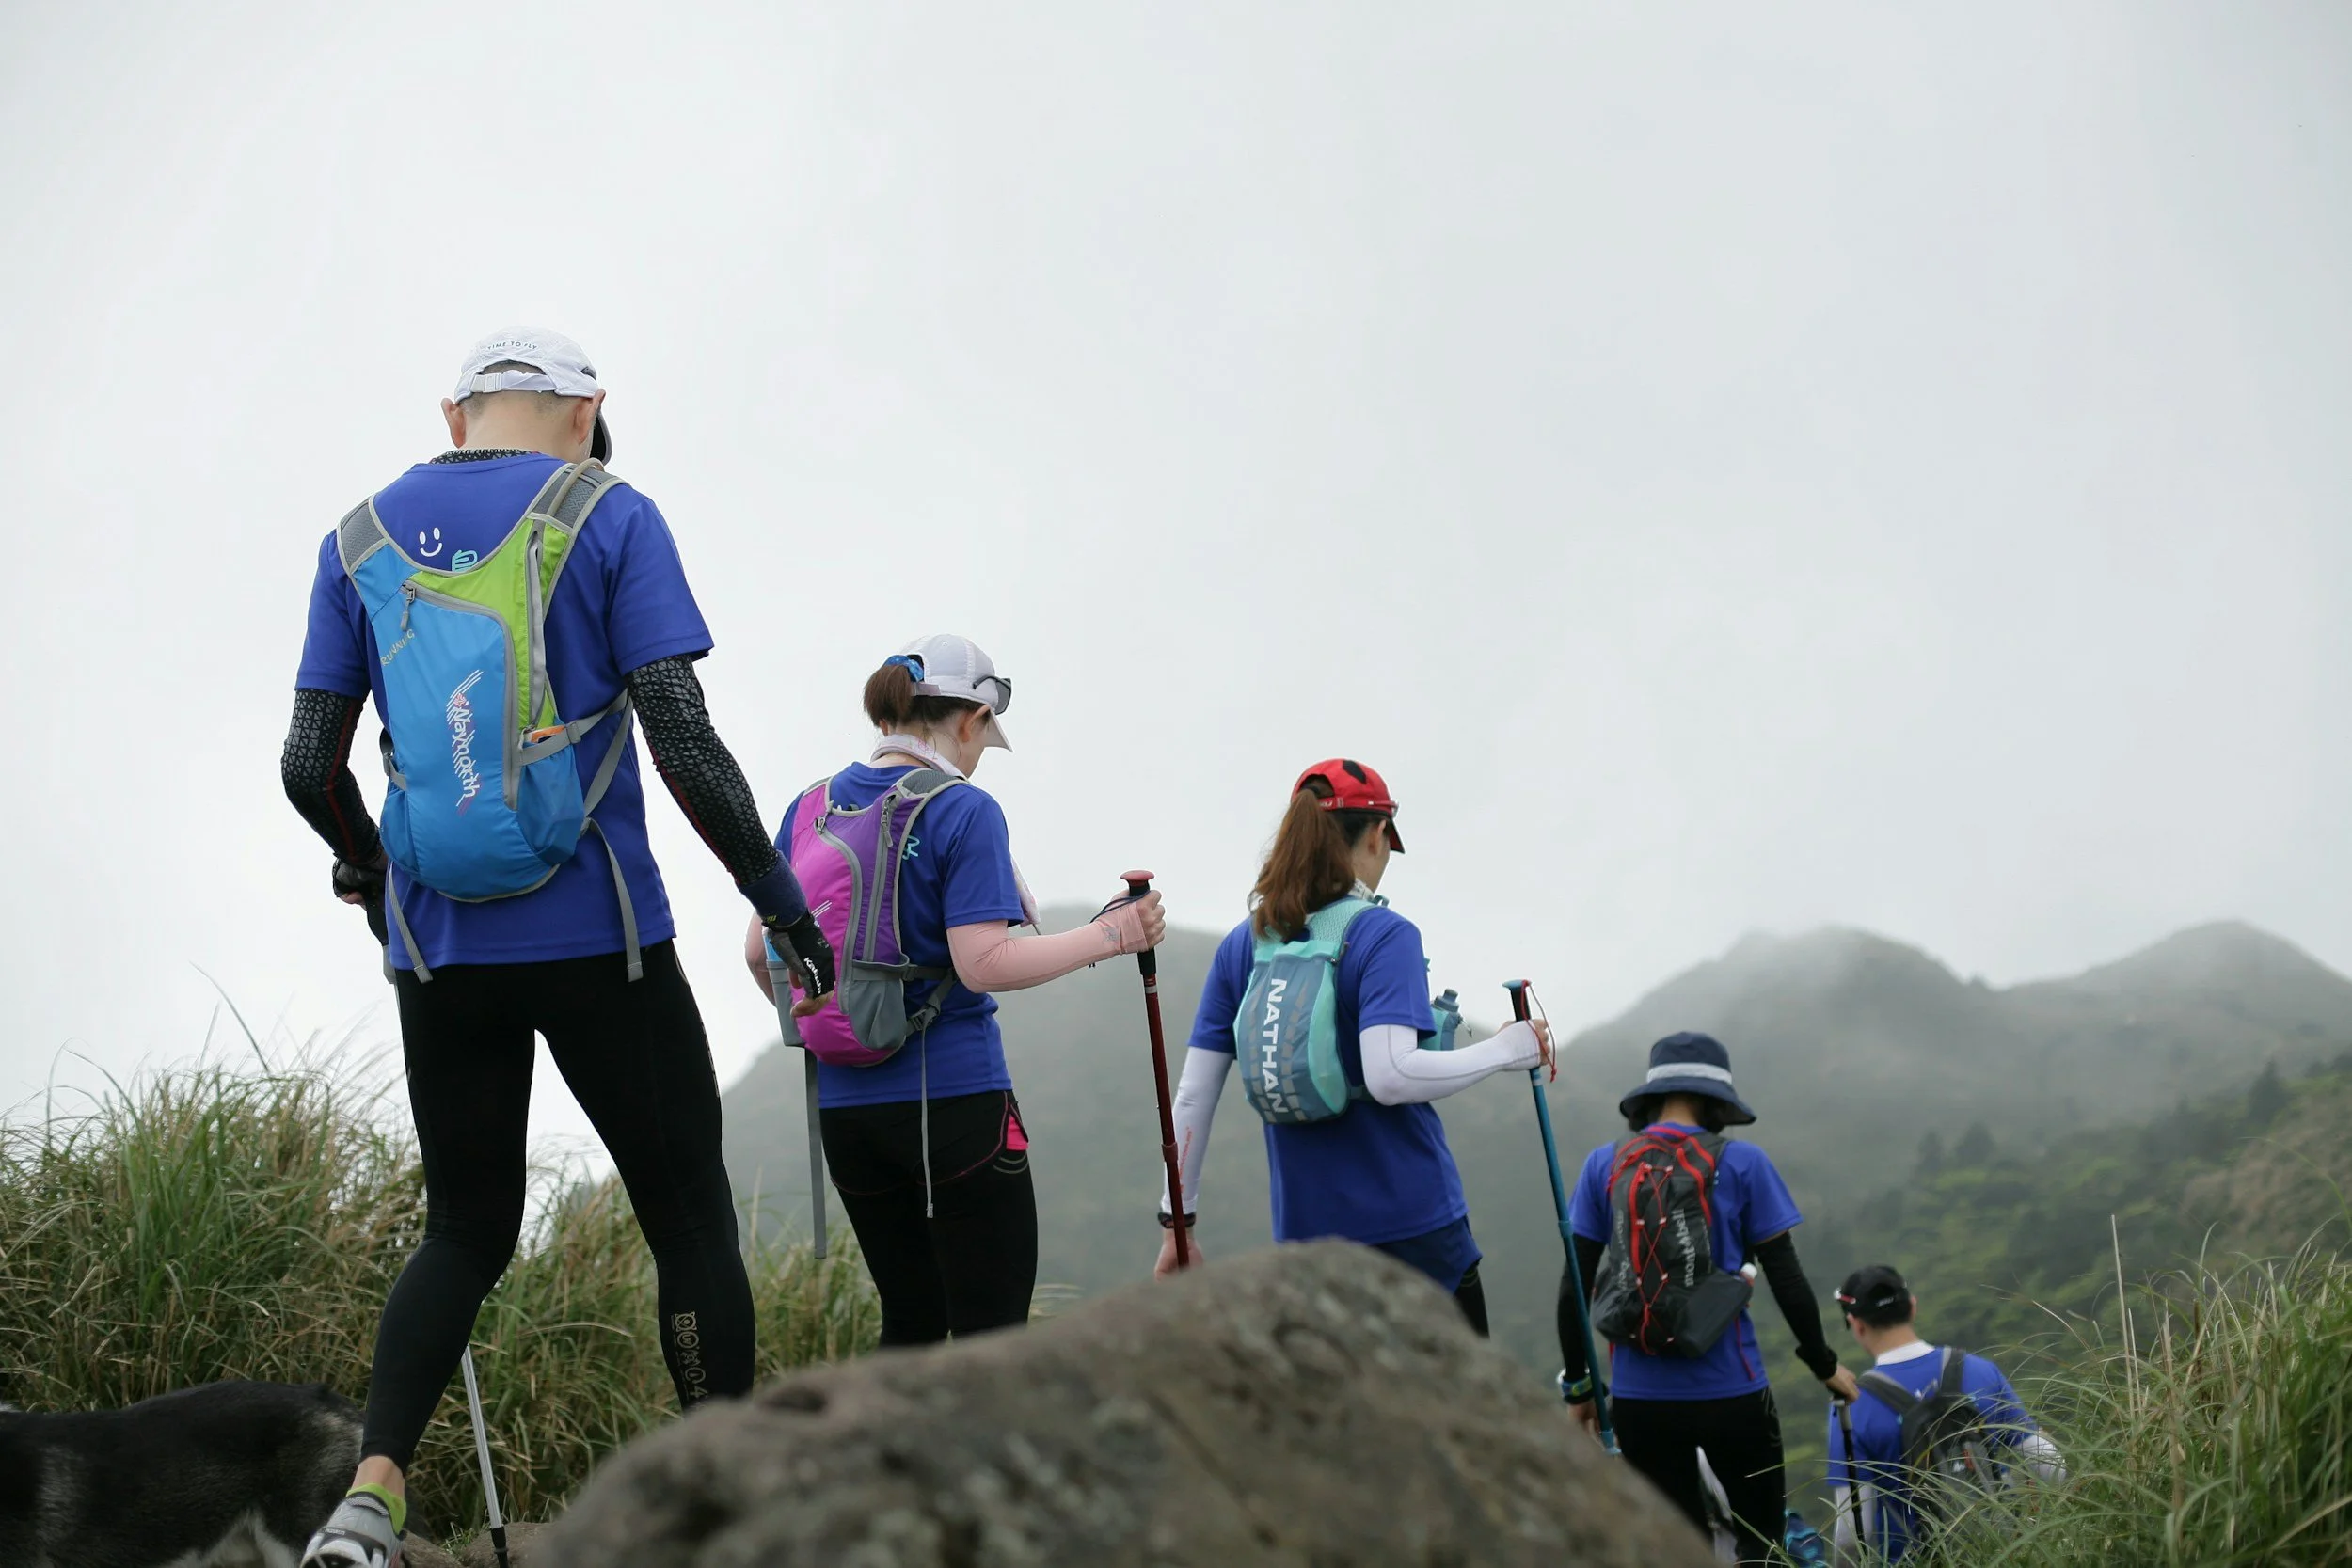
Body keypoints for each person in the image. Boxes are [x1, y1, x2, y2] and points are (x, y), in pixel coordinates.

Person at [284, 329, 835, 1568]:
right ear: (588, 411)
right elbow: (684, 744)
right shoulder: (610, 513)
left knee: (462, 1229)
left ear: (455, 410)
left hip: (439, 948)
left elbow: (304, 762)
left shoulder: (356, 539)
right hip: (606, 937)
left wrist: (374, 872)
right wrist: (782, 901)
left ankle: (369, 1499)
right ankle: (724, 1505)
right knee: (688, 1217)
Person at [744, 634, 1166, 1347]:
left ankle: (884, 1460)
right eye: (982, 736)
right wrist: (1115, 935)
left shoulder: (808, 806)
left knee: (908, 1322)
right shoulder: (963, 809)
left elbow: (760, 951)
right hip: (955, 1103)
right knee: (991, 1339)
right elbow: (984, 962)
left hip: (847, 1113)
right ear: (969, 719)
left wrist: (842, 1021)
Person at [1152, 759, 1551, 1332]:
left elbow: (1192, 1096)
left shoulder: (1247, 944)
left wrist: (1178, 1225)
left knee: (1349, 1416)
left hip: (1307, 1236)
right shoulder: (1383, 933)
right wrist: (1507, 1051)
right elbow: (1391, 1076)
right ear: (1376, 835)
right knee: (1454, 1411)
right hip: (1416, 1228)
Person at [1556, 1032, 1860, 1565]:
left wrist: (1580, 1388)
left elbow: (1573, 1287)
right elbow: (1787, 1279)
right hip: (1733, 1392)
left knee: (1678, 1551)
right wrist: (1824, 1363)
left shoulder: (1604, 1164)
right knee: (1762, 1543)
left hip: (1639, 1400)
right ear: (1717, 1099)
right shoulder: (1744, 1164)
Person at [1828, 1265, 2063, 1562]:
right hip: (2000, 1557)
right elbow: (2050, 1467)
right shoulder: (1981, 1371)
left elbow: (1852, 1537)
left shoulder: (1852, 1405)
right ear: (1912, 1307)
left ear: (1856, 1324)